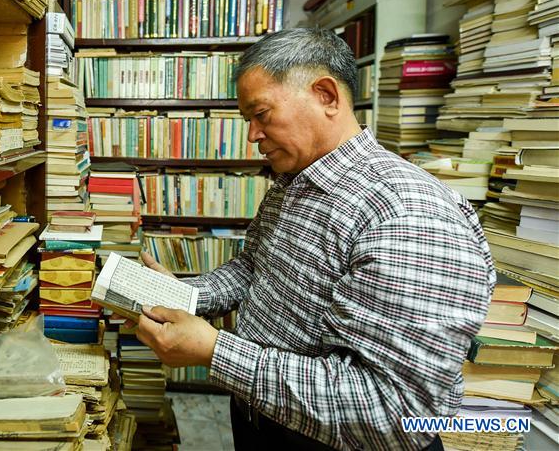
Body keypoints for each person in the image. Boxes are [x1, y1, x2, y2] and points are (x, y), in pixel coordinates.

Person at [133, 28, 495, 450]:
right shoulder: (294, 181)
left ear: (326, 95)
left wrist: (215, 351)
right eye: (246, 120)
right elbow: (255, 268)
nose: (251, 135)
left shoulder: (410, 213)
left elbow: (393, 410)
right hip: (262, 419)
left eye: (262, 114)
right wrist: (184, 295)